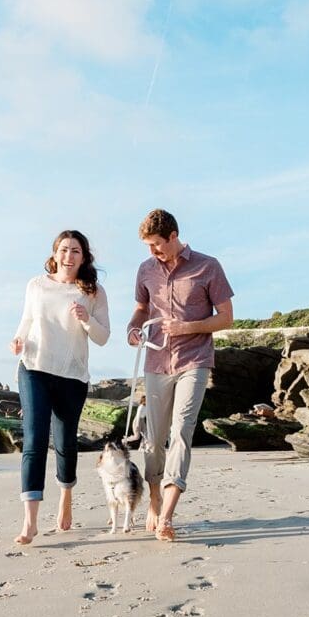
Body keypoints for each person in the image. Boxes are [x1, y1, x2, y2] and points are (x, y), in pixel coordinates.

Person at [127, 209, 233, 541]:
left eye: (156, 245)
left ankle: (167, 517)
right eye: (148, 246)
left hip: (195, 360)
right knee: (154, 439)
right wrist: (133, 329)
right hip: (156, 361)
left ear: (173, 236)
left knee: (182, 431)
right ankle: (154, 498)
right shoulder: (145, 269)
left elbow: (226, 317)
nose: (152, 252)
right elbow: (142, 309)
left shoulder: (208, 266)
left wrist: (188, 327)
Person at [10, 230, 110, 544]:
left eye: (75, 251)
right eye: (64, 250)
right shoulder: (36, 285)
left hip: (72, 375)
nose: (69, 256)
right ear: (55, 254)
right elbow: (27, 320)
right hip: (33, 367)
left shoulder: (92, 291)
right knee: (35, 439)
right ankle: (30, 522)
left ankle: (66, 496)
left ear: (84, 257)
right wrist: (18, 339)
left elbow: (103, 336)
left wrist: (85, 320)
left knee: (65, 443)